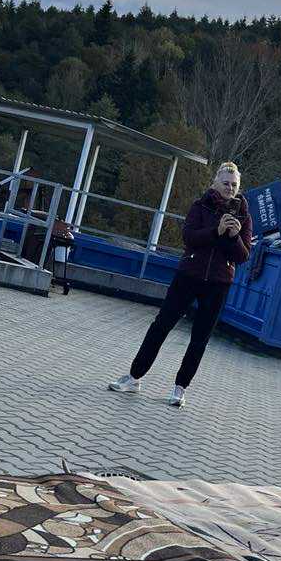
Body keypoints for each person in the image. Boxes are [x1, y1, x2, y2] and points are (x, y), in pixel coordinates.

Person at [108, 162, 252, 407]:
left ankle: (180, 388)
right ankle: (134, 377)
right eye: (226, 183)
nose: (230, 188)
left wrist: (234, 236)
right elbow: (188, 238)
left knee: (200, 338)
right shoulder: (200, 206)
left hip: (218, 283)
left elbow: (243, 256)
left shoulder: (244, 216)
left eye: (234, 185)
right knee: (161, 326)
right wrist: (216, 231)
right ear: (215, 183)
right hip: (189, 275)